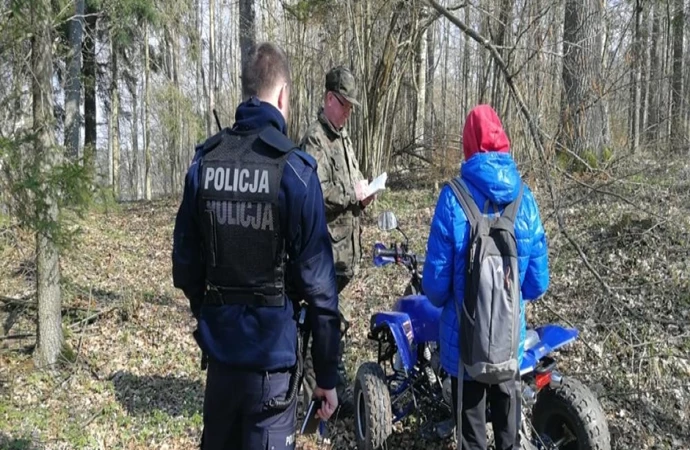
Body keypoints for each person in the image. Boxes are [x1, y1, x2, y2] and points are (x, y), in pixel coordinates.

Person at [172, 42, 341, 450]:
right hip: (272, 370)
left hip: (222, 365)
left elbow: (185, 265)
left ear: (246, 91)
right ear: (282, 96)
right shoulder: (297, 174)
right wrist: (327, 378)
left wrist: (213, 310)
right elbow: (320, 289)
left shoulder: (205, 163)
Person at [422, 105, 550, 450]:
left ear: (468, 145)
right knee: (509, 438)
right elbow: (538, 283)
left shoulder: (453, 198)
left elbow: (434, 288)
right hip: (509, 346)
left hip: (465, 350)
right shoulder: (525, 200)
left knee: (472, 439)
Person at [299, 65, 373, 413]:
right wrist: (352, 195)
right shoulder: (316, 138)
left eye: (351, 107)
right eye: (344, 105)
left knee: (327, 323)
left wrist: (366, 191)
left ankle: (323, 384)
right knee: (326, 323)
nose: (348, 112)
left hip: (345, 251)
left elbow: (354, 178)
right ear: (330, 99)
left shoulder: (342, 138)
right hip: (326, 251)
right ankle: (326, 389)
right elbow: (316, 190)